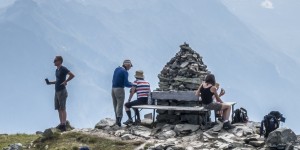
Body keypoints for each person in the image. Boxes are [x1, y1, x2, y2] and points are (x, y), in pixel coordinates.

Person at [46, 56, 75, 131]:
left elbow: (72, 75)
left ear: (60, 61)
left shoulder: (63, 68)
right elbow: (58, 80)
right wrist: (50, 82)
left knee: (63, 108)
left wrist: (66, 81)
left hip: (62, 90)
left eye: (55, 60)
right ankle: (61, 124)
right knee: (58, 108)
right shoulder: (57, 70)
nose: (54, 62)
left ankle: (64, 125)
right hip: (56, 91)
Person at [112, 59, 133, 127]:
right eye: (130, 66)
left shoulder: (117, 69)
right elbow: (126, 84)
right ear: (127, 65)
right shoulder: (125, 72)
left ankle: (116, 120)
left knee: (115, 105)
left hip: (113, 89)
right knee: (120, 105)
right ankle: (118, 122)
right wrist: (133, 85)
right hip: (120, 89)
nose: (130, 68)